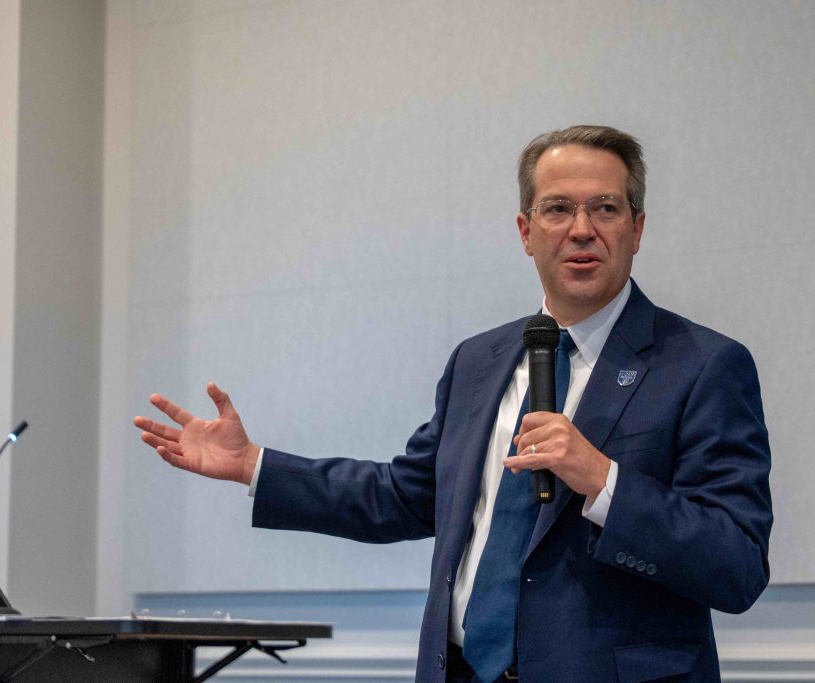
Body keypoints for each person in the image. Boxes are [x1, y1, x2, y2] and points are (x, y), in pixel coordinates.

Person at [135, 125, 773, 683]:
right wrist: (254, 465)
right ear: (526, 232)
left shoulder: (702, 365)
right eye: (557, 209)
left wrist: (604, 480)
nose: (582, 229)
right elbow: (407, 496)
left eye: (605, 208)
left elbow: (736, 566)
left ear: (637, 227)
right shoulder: (480, 360)